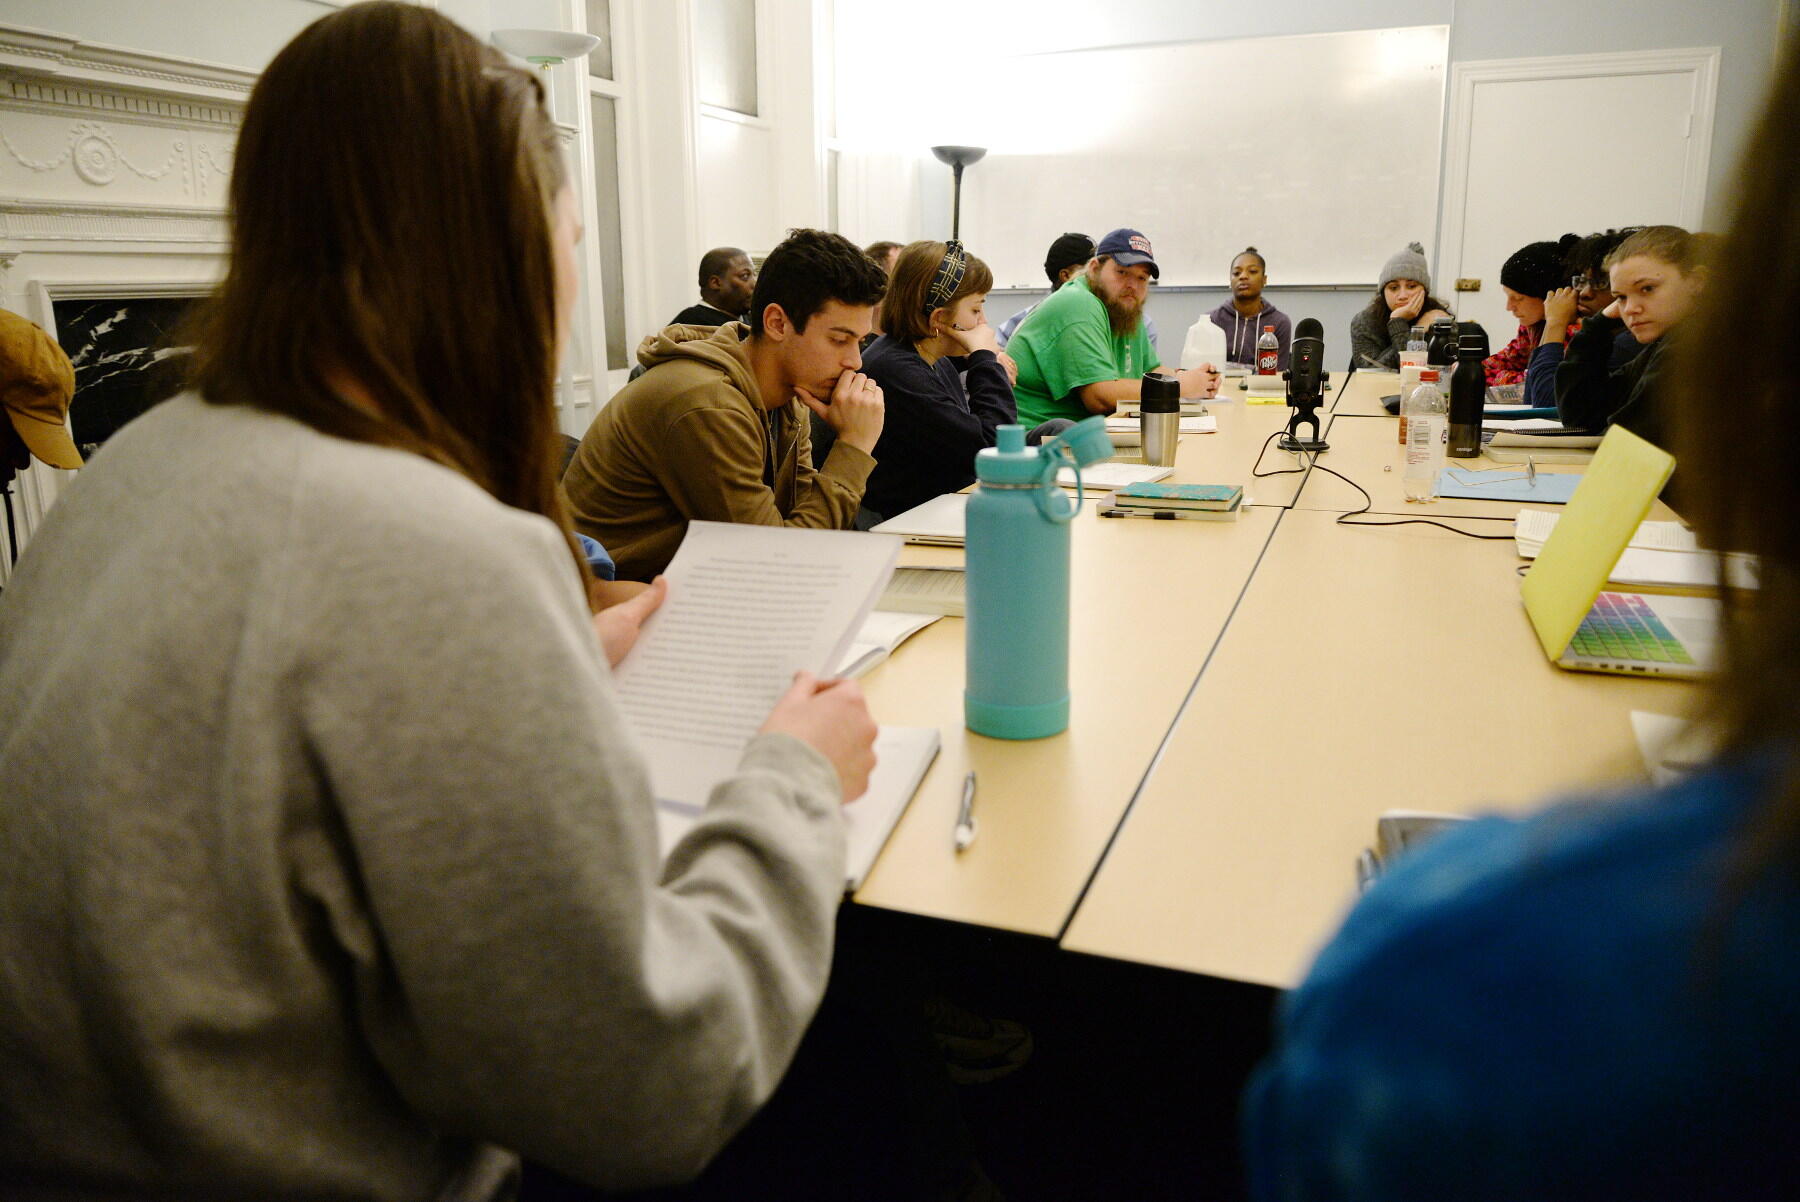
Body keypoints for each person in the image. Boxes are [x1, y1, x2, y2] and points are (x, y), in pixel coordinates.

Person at [0, 6, 880, 1197]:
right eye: (573, 230)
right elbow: (649, 1081)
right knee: (858, 1073)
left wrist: (558, 645)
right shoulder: (434, 544)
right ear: (515, 247)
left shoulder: (133, 468)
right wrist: (794, 780)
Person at [1242, 41, 1800, 1202]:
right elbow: (1595, 422)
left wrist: (1570, 332)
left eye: (1642, 291)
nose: (1621, 307)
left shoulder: (1458, 979)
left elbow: (1593, 425)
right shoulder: (1643, 347)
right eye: (1614, 290)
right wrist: (1577, 330)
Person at [563, 228, 889, 581]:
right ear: (777, 323)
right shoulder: (707, 404)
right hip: (613, 604)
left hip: (693, 591)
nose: (855, 361)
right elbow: (773, 566)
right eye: (839, 340)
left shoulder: (789, 396)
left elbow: (802, 529)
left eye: (860, 341)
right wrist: (854, 446)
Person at [858, 240, 1016, 522]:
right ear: (940, 318)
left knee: (1055, 431)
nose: (984, 322)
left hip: (943, 506)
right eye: (976, 310)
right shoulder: (898, 371)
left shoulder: (930, 356)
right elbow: (993, 450)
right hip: (909, 521)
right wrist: (984, 360)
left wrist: (981, 361)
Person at [1007, 227, 1217, 427]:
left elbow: (1151, 370)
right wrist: (1180, 386)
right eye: (1122, 272)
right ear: (1094, 268)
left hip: (1083, 434)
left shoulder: (1125, 309)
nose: (1132, 285)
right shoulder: (1077, 303)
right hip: (1034, 440)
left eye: (1141, 277)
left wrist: (1195, 379)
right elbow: (1100, 397)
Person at [1553, 224, 1707, 453]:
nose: (1631, 308)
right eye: (1621, 298)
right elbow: (1582, 420)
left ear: (1697, 281)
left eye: (1647, 288)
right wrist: (1599, 324)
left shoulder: (1694, 347)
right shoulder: (1664, 344)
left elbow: (1625, 448)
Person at [1522, 228, 1646, 410]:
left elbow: (1547, 406)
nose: (1585, 293)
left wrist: (1555, 323)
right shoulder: (1602, 337)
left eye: (1601, 282)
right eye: (1582, 281)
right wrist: (1551, 324)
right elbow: (1532, 399)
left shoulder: (1630, 342)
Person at [997, 232, 1160, 355]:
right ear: (1065, 276)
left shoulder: (1137, 322)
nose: (1093, 275)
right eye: (1088, 268)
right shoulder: (1029, 321)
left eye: (1142, 278)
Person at [1483, 235, 1579, 384]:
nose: (1509, 307)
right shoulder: (1531, 327)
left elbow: (1536, 383)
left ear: (1549, 295)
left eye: (1518, 298)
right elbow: (1499, 363)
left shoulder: (1578, 332)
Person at [1347, 241, 1453, 369]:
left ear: (1424, 290)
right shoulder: (1364, 322)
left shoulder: (1439, 318)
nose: (1402, 295)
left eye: (1411, 286)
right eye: (1393, 288)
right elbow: (1372, 373)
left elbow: (1438, 371)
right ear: (1383, 292)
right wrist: (1405, 325)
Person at [1208, 246, 1291, 370]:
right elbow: (1205, 368)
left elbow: (1278, 373)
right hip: (1220, 387)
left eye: (1252, 271)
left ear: (1264, 280)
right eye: (1236, 273)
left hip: (1261, 388)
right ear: (1230, 281)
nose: (1243, 277)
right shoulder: (1212, 320)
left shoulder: (1280, 322)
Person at [670, 246, 757, 327]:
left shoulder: (749, 318)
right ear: (715, 283)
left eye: (754, 274)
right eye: (745, 276)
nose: (755, 283)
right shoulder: (689, 325)